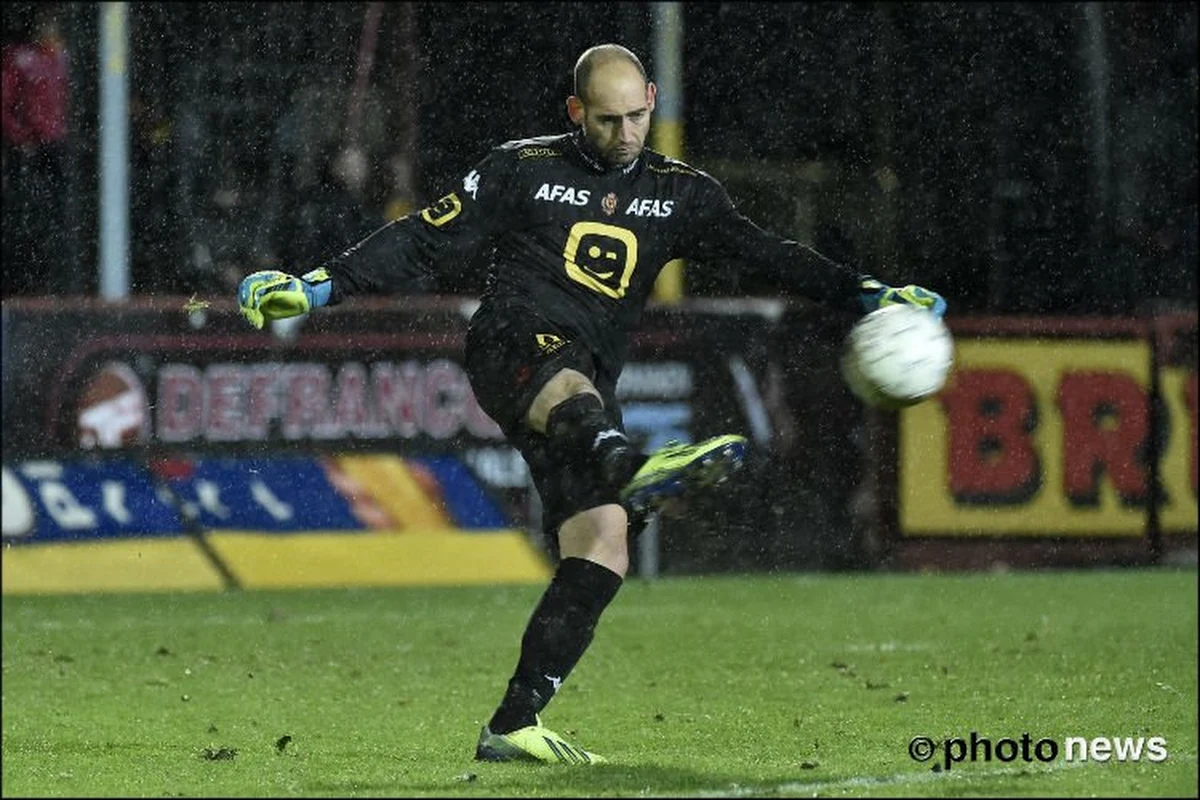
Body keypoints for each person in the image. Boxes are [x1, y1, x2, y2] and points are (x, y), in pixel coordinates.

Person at [236, 43, 946, 764]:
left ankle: (513, 724)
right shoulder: (522, 167)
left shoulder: (683, 193)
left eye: (638, 116)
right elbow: (425, 239)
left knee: (603, 541)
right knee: (570, 385)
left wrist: (872, 294)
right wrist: (322, 284)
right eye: (608, 120)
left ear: (652, 99)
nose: (627, 133)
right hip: (513, 344)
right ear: (576, 112)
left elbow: (772, 255)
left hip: (585, 386)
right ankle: (625, 463)